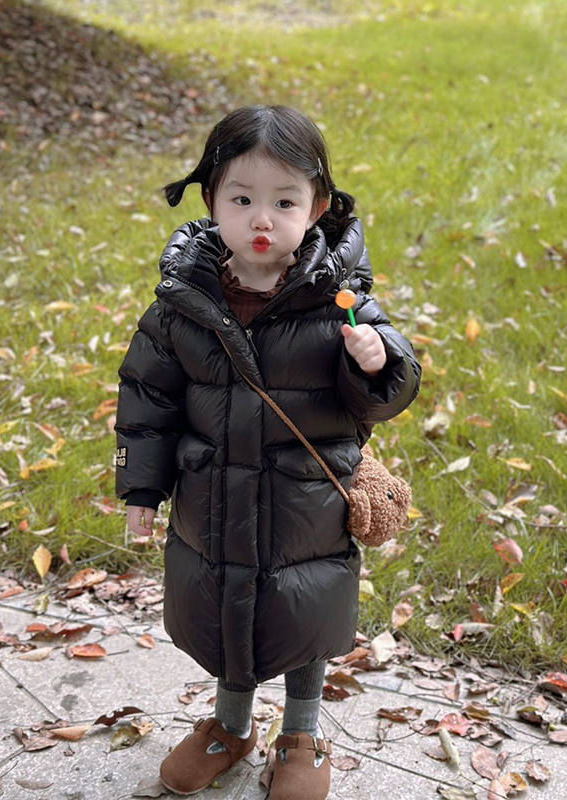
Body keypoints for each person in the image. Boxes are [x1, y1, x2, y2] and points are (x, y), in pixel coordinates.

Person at [114, 105, 421, 798]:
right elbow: (146, 400)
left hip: (305, 501)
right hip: (213, 498)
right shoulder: (182, 303)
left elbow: (383, 394)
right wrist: (140, 491)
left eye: (283, 202)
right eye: (242, 199)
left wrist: (377, 360)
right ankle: (230, 725)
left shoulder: (338, 299)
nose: (262, 219)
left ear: (315, 207)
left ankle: (303, 733)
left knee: (302, 616)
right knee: (228, 613)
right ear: (210, 201)